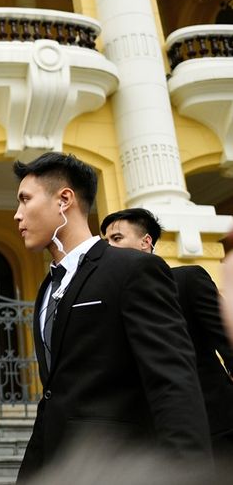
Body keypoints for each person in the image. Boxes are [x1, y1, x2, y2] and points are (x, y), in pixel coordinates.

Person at [12, 152, 211, 481]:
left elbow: (172, 380)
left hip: (119, 464)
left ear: (64, 200)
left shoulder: (132, 270)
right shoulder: (47, 287)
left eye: (25, 200)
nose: (18, 215)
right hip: (53, 464)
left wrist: (190, 472)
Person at [101, 208, 233, 460]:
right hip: (147, 438)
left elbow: (226, 340)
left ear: (145, 242)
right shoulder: (110, 298)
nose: (109, 247)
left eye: (116, 238)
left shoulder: (187, 280)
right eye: (106, 241)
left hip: (213, 424)